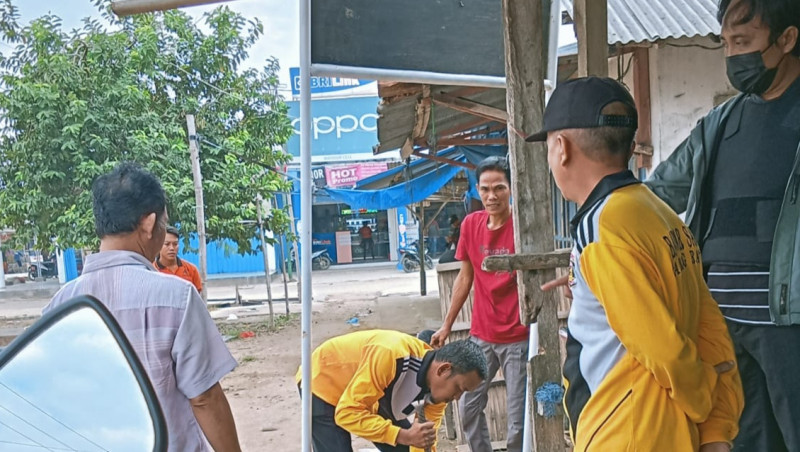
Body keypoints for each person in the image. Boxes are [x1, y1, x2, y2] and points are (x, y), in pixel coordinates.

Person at [533, 76, 743, 450]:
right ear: (629, 146)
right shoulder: (659, 213)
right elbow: (708, 325)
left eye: (548, 146)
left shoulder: (602, 229)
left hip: (627, 432)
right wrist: (715, 428)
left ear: (561, 149)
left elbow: (661, 347)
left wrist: (702, 401)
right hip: (671, 432)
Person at [642, 1, 800, 449]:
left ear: (786, 39)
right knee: (746, 439)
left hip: (788, 324)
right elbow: (657, 195)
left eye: (744, 42)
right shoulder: (719, 123)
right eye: (726, 43)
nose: (732, 56)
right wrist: (596, 240)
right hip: (721, 323)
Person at [44, 163, 240, 452]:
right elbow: (204, 397)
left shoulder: (60, 306)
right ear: (149, 224)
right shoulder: (176, 297)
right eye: (163, 223)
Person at [431, 156, 528, 452]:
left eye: (499, 188)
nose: (491, 195)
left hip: (517, 338)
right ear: (477, 190)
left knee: (517, 421)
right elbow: (465, 277)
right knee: (468, 409)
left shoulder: (522, 227)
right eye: (485, 189)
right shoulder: (471, 225)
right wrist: (446, 325)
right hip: (481, 336)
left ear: (510, 189)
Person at [296, 329, 487, 452]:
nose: (457, 398)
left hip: (371, 393)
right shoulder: (392, 355)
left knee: (406, 444)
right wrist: (403, 435)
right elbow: (346, 414)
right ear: (443, 370)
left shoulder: (436, 396)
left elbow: (423, 442)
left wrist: (409, 439)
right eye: (458, 389)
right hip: (322, 379)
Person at [154, 225, 203, 294]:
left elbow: (196, 298)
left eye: (175, 244)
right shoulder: (151, 271)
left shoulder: (191, 270)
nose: (171, 248)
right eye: (167, 244)